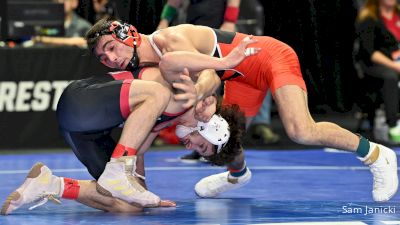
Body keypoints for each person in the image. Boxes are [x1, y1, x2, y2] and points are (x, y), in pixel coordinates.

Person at [86, 17, 398, 202]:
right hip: (237, 74)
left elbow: (208, 74)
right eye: (103, 58)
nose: (111, 59)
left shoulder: (168, 41)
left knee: (300, 130)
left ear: (126, 35)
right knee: (222, 132)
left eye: (111, 48)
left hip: (267, 57)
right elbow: (143, 124)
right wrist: (136, 185)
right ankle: (238, 174)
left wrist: (198, 96)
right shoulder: (143, 69)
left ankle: (374, 154)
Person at [1, 67, 250, 215]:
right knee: (158, 95)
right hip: (84, 100)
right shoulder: (187, 93)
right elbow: (205, 69)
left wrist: (139, 192)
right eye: (202, 146)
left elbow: (136, 149)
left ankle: (50, 184)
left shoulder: (166, 120)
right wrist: (209, 81)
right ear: (211, 126)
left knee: (128, 205)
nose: (192, 148)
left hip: (82, 130)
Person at [157, 0, 241, 161]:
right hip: (195, 18)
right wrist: (165, 19)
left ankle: (207, 142)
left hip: (216, 21)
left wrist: (230, 20)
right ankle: (201, 140)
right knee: (194, 77)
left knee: (208, 80)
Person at [356, 0, 400, 143]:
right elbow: (370, 52)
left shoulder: (398, 15)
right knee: (390, 77)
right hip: (375, 65)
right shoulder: (368, 18)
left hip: (397, 61)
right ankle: (392, 125)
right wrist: (395, 66)